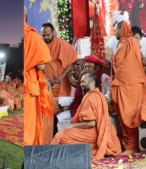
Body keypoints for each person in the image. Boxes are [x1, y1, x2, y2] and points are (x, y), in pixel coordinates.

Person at [51, 73, 121, 161]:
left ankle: (84, 153)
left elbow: (92, 123)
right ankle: (91, 149)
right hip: (99, 131)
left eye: (83, 82)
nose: (81, 84)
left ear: (91, 83)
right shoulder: (93, 95)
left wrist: (72, 126)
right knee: (63, 133)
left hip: (94, 131)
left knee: (61, 136)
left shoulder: (93, 97)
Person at [110, 20, 146, 155]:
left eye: (115, 30)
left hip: (130, 86)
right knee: (124, 116)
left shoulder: (129, 42)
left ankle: (132, 147)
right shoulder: (123, 43)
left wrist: (113, 60)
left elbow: (124, 66)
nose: (114, 32)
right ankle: (130, 147)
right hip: (125, 85)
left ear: (121, 30)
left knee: (130, 116)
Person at [57, 54, 111, 130]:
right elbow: (78, 98)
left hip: (96, 108)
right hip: (83, 107)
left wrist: (101, 99)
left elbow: (110, 92)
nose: (86, 69)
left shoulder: (104, 78)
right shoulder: (84, 78)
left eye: (89, 66)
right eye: (85, 67)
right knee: (63, 119)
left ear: (97, 67)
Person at [24, 7, 53, 145]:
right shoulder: (31, 35)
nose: (46, 37)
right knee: (28, 127)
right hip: (29, 85)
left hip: (25, 85)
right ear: (26, 17)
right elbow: (41, 65)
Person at [41, 23, 77, 97]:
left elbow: (71, 62)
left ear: (53, 33)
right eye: (44, 35)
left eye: (48, 35)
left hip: (61, 81)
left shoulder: (61, 44)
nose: (46, 37)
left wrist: (62, 76)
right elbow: (36, 64)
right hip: (46, 83)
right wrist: (46, 78)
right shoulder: (40, 45)